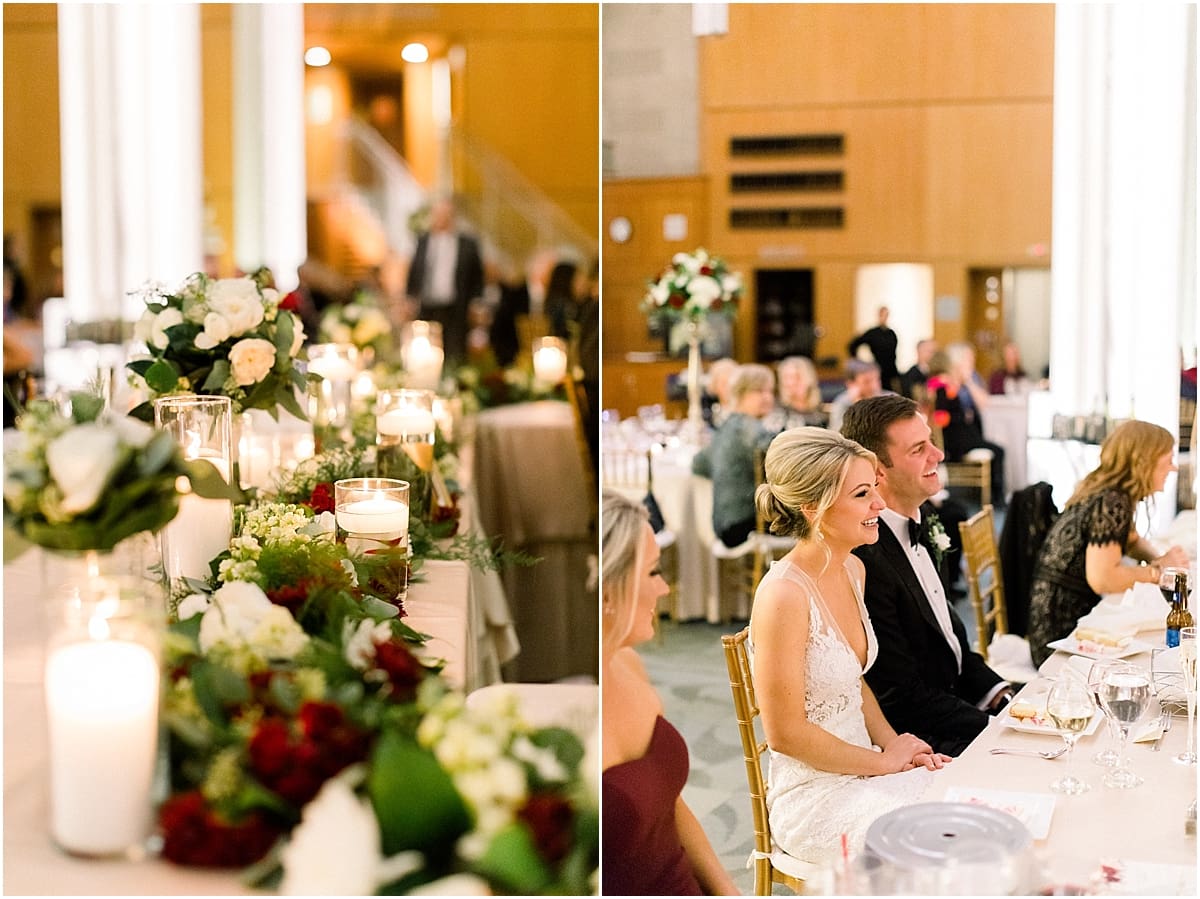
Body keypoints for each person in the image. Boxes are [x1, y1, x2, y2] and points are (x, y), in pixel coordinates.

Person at [749, 427, 950, 864]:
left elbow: (854, 684)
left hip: (866, 769)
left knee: (973, 803)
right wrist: (882, 763)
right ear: (813, 508)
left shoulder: (853, 570)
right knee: (935, 845)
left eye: (874, 489)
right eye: (862, 494)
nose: (879, 503)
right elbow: (783, 735)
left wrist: (898, 748)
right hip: (814, 796)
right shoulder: (784, 594)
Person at [841, 395, 1014, 756]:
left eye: (931, 442)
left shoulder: (923, 525)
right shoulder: (866, 562)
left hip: (953, 707)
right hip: (921, 741)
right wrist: (998, 730)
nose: (938, 455)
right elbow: (902, 696)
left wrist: (1005, 697)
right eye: (919, 449)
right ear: (877, 471)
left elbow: (951, 649)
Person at [602, 491, 739, 896]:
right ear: (609, 590)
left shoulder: (628, 665)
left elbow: (669, 806)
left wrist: (728, 892)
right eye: (653, 572)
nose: (664, 588)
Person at [1027, 420, 1189, 666]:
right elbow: (1103, 578)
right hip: (1061, 634)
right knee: (1148, 654)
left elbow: (1130, 541)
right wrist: (1157, 572)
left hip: (1053, 619)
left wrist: (1162, 558)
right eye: (1167, 459)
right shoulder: (1112, 501)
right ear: (1143, 462)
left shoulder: (1106, 490)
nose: (1173, 468)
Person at [692, 364, 775, 548]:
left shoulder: (726, 426)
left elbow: (698, 464)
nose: (768, 397)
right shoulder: (749, 428)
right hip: (746, 525)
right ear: (740, 393)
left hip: (723, 525)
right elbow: (783, 460)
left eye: (770, 391)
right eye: (760, 391)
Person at [404, 196, 484, 364]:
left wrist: (476, 302)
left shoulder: (467, 243)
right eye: (438, 214)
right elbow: (414, 271)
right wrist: (410, 297)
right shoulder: (423, 240)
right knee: (426, 350)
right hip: (427, 306)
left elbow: (477, 276)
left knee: (454, 349)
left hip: (456, 306)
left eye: (445, 214)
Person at [928, 342, 1006, 506]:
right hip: (956, 437)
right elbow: (941, 415)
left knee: (998, 450)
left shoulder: (958, 382)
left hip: (965, 433)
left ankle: (995, 496)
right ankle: (996, 498)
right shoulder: (941, 384)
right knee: (998, 451)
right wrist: (963, 416)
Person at [763, 355, 828, 433]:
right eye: (786, 378)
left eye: (796, 377)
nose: (790, 383)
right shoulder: (775, 410)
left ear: (809, 379)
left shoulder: (824, 411)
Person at [847, 306, 899, 393]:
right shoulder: (872, 333)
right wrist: (857, 360)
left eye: (886, 315)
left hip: (890, 369)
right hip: (878, 367)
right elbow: (854, 344)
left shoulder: (891, 333)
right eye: (882, 315)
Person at [826, 359, 884, 433]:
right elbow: (838, 434)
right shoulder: (842, 403)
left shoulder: (891, 398)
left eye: (877, 379)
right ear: (851, 384)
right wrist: (857, 404)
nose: (874, 386)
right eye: (867, 382)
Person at [701, 356, 739, 428]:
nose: (728, 388)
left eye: (731, 383)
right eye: (723, 384)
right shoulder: (710, 411)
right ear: (714, 386)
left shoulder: (744, 412)